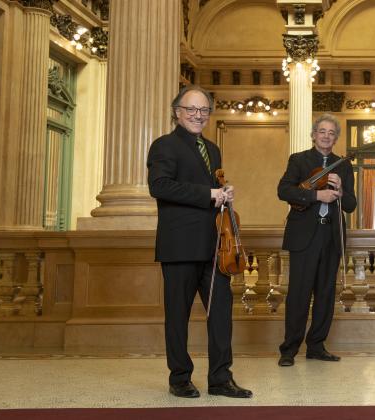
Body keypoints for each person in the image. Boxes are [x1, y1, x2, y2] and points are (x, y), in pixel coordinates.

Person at [147, 85, 252, 399]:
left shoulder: (212, 149)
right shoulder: (164, 145)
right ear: (177, 112)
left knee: (221, 314)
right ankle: (180, 378)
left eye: (204, 110)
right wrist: (208, 194)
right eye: (191, 109)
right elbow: (160, 186)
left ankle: (220, 378)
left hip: (214, 247)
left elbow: (212, 190)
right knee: (177, 316)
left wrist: (223, 195)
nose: (198, 115)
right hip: (179, 246)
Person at [276, 114, 357, 367]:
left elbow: (351, 205)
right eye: (322, 131)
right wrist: (316, 195)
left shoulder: (343, 165)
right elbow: (284, 190)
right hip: (304, 237)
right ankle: (289, 350)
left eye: (331, 133)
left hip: (330, 236)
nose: (326, 136)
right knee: (299, 294)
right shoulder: (299, 159)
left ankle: (317, 346)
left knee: (325, 294)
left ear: (336, 138)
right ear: (313, 135)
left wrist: (341, 191)